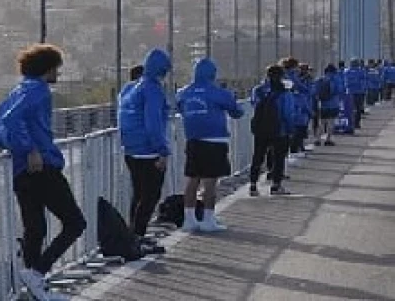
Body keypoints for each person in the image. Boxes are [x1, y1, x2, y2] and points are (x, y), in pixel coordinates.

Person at [0, 44, 86, 301]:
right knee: (75, 223)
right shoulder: (39, 91)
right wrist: (31, 148)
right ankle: (37, 273)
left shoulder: (15, 91)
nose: (58, 73)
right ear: (48, 69)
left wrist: (17, 149)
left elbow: (1, 127)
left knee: (35, 230)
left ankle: (36, 291)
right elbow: (14, 120)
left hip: (21, 173)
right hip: (42, 168)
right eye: (57, 68)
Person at [176, 58, 244, 232]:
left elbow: (178, 107)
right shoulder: (218, 92)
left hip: (192, 140)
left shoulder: (184, 92)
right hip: (215, 140)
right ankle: (208, 220)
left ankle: (189, 219)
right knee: (210, 183)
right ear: (213, 74)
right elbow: (237, 112)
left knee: (192, 180)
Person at [117, 48, 173, 244]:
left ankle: (132, 234)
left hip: (131, 150)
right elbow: (153, 123)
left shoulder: (130, 88)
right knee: (150, 196)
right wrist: (163, 150)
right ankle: (138, 237)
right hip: (149, 152)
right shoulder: (153, 90)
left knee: (138, 194)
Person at [249, 65, 298, 196]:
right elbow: (287, 113)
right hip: (279, 129)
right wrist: (290, 129)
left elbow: (254, 104)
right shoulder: (284, 92)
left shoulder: (258, 90)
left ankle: (253, 185)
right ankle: (276, 186)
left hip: (261, 128)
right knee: (279, 158)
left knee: (258, 157)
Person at [314, 64, 344, 146]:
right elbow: (340, 90)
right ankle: (328, 139)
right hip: (333, 104)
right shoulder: (336, 79)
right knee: (331, 122)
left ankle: (317, 139)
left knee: (321, 122)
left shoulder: (320, 79)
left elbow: (315, 92)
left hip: (322, 104)